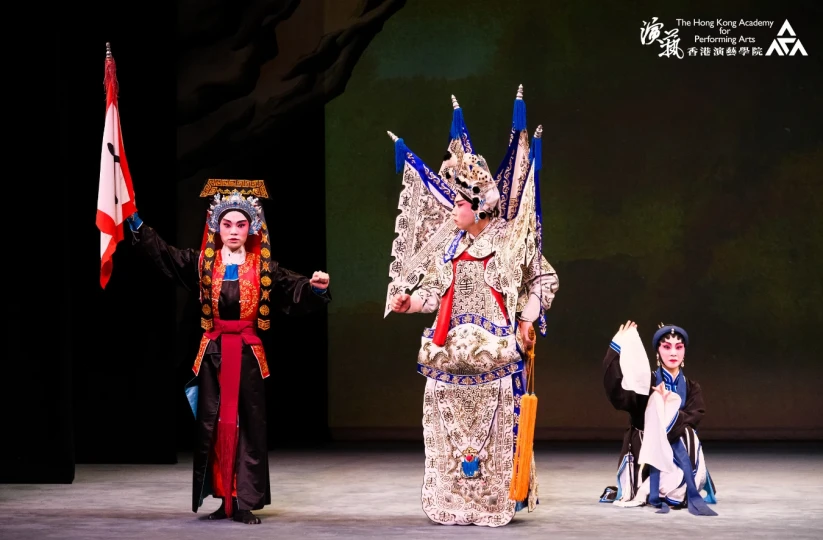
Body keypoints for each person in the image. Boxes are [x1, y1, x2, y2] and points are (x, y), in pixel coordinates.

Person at [385, 92, 559, 526]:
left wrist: (526, 317)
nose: (454, 209)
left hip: (494, 359)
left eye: (460, 203)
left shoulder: (507, 239)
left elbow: (544, 279)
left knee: (495, 434)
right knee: (450, 437)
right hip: (448, 360)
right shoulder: (449, 245)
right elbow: (435, 297)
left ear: (480, 203)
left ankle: (496, 501)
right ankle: (452, 500)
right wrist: (409, 304)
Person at [125, 180, 331, 524]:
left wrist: (314, 287)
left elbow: (294, 289)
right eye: (226, 224)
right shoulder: (201, 263)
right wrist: (135, 223)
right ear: (215, 227)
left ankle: (244, 499)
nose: (233, 231)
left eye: (240, 224)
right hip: (213, 354)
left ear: (251, 227)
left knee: (248, 426)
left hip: (249, 357)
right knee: (214, 425)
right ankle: (223, 498)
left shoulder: (264, 267)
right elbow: (164, 254)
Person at [600, 321, 718, 515]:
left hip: (680, 452)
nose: (673, 353)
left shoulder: (691, 387)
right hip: (646, 452)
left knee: (688, 434)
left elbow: (693, 419)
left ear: (684, 353)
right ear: (657, 352)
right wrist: (615, 349)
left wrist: (668, 407)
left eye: (678, 347)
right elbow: (618, 395)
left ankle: (678, 487)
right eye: (666, 346)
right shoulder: (646, 382)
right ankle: (660, 488)